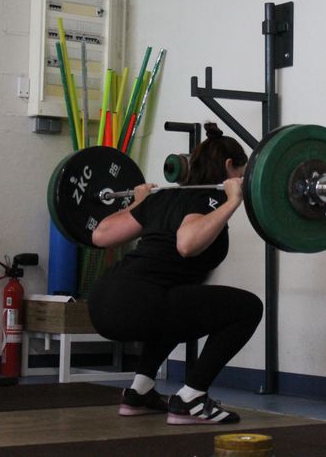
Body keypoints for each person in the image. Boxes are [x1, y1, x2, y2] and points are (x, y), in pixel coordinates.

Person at [88, 122, 263, 425]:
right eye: (241, 173)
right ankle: (191, 398)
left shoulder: (162, 198)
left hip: (103, 301)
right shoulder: (209, 200)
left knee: (175, 302)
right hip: (137, 304)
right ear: (228, 167)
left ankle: (139, 392)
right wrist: (233, 200)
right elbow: (186, 244)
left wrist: (139, 202)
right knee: (248, 308)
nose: (242, 180)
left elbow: (101, 234)